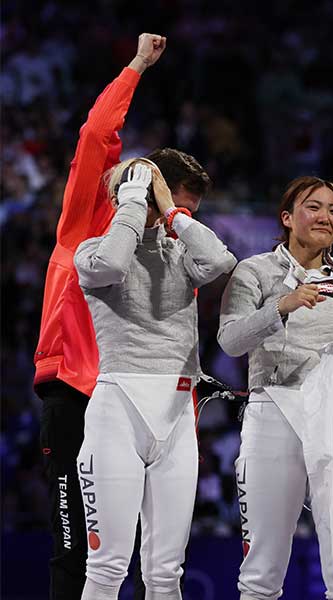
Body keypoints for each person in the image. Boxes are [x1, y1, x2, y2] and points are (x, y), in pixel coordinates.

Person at [32, 33, 173, 599]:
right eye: (122, 173)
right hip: (73, 393)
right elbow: (96, 134)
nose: (126, 177)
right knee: (74, 547)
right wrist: (137, 65)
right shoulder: (80, 230)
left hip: (135, 398)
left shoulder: (156, 251)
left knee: (138, 545)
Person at [217, 176, 333, 600]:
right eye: (314, 207)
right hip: (274, 411)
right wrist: (280, 306)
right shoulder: (254, 271)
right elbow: (231, 340)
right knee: (262, 565)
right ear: (287, 217)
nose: (325, 217)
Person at [74, 158, 236, 599]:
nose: (172, 218)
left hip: (177, 416)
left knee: (166, 573)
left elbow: (221, 260)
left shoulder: (183, 256)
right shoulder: (90, 251)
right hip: (117, 414)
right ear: (133, 197)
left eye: (184, 210)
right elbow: (112, 264)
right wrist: (130, 198)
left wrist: (169, 209)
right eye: (162, 203)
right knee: (107, 566)